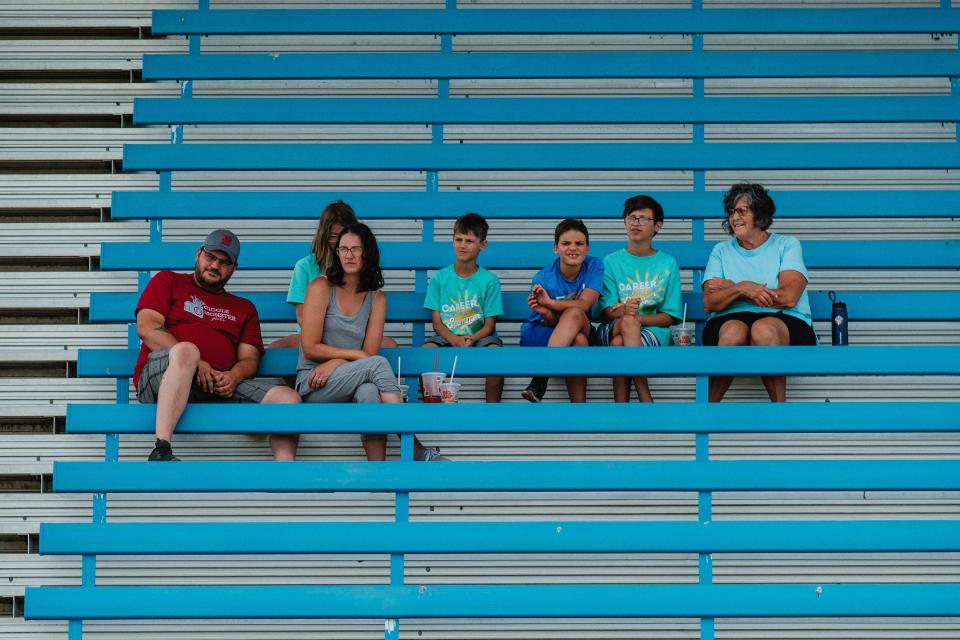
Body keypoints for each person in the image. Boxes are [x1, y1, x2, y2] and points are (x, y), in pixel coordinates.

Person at [134, 229, 302, 462]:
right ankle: (162, 448)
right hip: (164, 375)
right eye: (210, 257)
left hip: (216, 385)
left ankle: (285, 469)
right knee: (187, 350)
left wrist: (234, 375)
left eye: (224, 262)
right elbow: (147, 327)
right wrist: (196, 363)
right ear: (198, 254)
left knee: (288, 399)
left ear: (234, 268)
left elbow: (249, 359)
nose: (214, 265)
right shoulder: (168, 280)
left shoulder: (244, 308)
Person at [297, 223, 443, 461]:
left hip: (351, 378)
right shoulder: (321, 287)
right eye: (343, 249)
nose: (349, 255)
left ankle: (379, 474)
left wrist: (336, 361)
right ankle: (415, 446)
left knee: (370, 390)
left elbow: (370, 352)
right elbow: (310, 346)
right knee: (377, 365)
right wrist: (344, 360)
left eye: (355, 249)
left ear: (368, 253)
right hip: (315, 381)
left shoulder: (377, 298)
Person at [701, 182, 816, 403]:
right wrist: (743, 287)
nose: (734, 218)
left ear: (759, 214)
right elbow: (710, 302)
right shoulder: (721, 250)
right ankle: (707, 410)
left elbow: (790, 297)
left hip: (786, 319)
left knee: (763, 329)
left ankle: (778, 412)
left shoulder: (787, 245)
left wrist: (733, 289)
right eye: (731, 212)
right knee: (734, 331)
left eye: (742, 211)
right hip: (729, 319)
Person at [270, 200, 396, 350]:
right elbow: (303, 317)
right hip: (316, 336)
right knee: (276, 348)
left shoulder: (360, 263)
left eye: (341, 236)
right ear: (323, 235)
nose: (336, 242)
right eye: (332, 236)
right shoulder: (305, 266)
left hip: (356, 335)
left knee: (390, 346)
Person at [595, 195, 683, 403]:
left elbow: (669, 317)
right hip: (613, 327)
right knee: (625, 324)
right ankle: (645, 396)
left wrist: (636, 319)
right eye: (631, 217)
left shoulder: (668, 263)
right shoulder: (610, 262)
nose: (636, 223)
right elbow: (607, 311)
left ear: (657, 226)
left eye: (643, 218)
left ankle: (621, 407)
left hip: (652, 333)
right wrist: (625, 311)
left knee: (619, 343)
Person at [519, 218, 603, 403]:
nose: (573, 248)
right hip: (541, 331)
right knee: (579, 339)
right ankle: (579, 408)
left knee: (575, 314)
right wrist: (547, 310)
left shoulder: (595, 266)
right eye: (566, 243)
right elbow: (549, 320)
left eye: (579, 243)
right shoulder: (543, 278)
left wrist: (550, 303)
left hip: (582, 325)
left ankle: (540, 378)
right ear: (555, 248)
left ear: (587, 248)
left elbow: (584, 305)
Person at [423, 212, 504, 403]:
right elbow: (437, 322)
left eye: (469, 240)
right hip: (446, 335)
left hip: (480, 336)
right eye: (458, 239)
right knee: (425, 352)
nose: (462, 245)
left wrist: (472, 338)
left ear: (482, 245)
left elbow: (489, 325)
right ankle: (431, 410)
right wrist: (453, 338)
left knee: (496, 355)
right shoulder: (439, 279)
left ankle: (492, 410)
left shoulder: (489, 281)